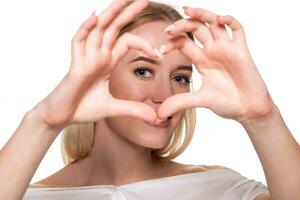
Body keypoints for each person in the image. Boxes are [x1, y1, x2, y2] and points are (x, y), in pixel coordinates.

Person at [0, 0, 299, 199]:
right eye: (143, 71)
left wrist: (263, 118)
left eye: (180, 78)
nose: (164, 97)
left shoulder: (222, 189)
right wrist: (41, 122)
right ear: (99, 77)